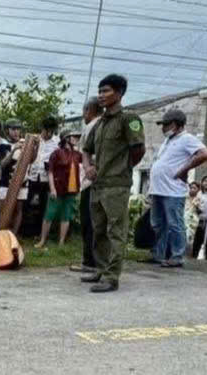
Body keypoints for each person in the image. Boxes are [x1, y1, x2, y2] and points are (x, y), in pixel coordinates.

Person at [81, 74, 146, 293]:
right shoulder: (99, 123)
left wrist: (124, 168)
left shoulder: (129, 119)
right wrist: (88, 166)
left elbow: (138, 149)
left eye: (106, 91)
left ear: (119, 93)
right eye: (99, 91)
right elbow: (86, 150)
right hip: (98, 185)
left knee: (115, 231)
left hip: (117, 185)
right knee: (98, 230)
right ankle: (101, 269)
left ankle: (111, 277)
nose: (101, 95)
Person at [146, 109, 207, 268]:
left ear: (175, 124)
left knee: (175, 224)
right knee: (158, 224)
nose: (163, 128)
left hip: (172, 190)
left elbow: (204, 154)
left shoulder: (187, 139)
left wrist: (183, 170)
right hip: (159, 189)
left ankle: (177, 255)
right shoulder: (168, 141)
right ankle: (158, 254)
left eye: (166, 125)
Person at [70, 97, 103, 273]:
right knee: (91, 223)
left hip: (92, 181)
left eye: (84, 111)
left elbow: (88, 153)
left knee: (89, 222)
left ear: (89, 110)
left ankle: (91, 262)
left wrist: (92, 168)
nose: (83, 115)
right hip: (93, 181)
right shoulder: (100, 125)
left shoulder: (93, 127)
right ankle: (91, 260)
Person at [36, 129, 83, 248]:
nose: (77, 139)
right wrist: (52, 189)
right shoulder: (56, 153)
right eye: (74, 136)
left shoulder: (77, 154)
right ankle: (42, 241)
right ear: (66, 138)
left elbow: (87, 163)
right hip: (57, 188)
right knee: (49, 215)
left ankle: (61, 242)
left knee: (66, 216)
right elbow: (50, 172)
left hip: (71, 190)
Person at [26, 116, 60, 237]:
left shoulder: (57, 142)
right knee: (28, 204)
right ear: (42, 129)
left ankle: (41, 233)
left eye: (52, 131)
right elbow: (28, 158)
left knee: (44, 206)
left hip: (47, 178)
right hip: (33, 176)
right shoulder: (34, 139)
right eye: (47, 131)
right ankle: (27, 231)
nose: (49, 134)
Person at [0, 119, 29, 234]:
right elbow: (2, 164)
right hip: (5, 182)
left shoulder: (26, 143)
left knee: (18, 209)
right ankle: (3, 233)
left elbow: (32, 160)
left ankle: (13, 235)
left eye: (18, 129)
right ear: (7, 130)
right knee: (2, 209)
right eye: (13, 129)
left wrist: (35, 146)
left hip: (22, 182)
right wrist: (14, 148)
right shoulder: (2, 145)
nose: (16, 132)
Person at [184, 181, 201, 250]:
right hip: (184, 219)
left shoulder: (199, 199)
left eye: (194, 188)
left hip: (194, 221)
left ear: (198, 189)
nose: (192, 189)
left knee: (191, 238)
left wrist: (197, 206)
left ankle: (189, 255)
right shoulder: (185, 197)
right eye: (191, 188)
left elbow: (200, 211)